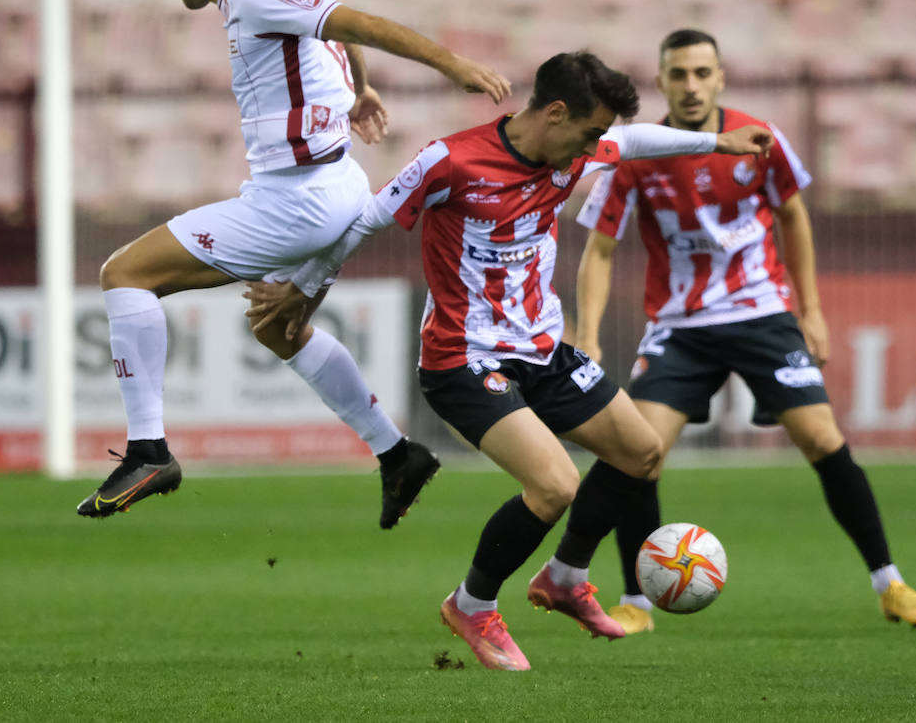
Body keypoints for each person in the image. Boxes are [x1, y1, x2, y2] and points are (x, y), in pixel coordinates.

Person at [246, 51, 773, 671]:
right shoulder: (452, 161)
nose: (594, 146)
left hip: (543, 349)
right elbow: (366, 221)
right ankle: (471, 604)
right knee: (554, 485)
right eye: (587, 131)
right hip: (462, 357)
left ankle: (564, 577)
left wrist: (719, 141)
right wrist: (304, 290)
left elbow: (629, 141)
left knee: (642, 452)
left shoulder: (571, 150)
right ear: (554, 113)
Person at [77, 0, 512, 527]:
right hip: (336, 189)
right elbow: (333, 26)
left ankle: (148, 448)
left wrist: (451, 65)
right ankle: (397, 454)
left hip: (297, 201)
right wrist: (360, 87)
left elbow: (358, 22)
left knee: (125, 273)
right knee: (278, 328)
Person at [573, 29, 916, 636]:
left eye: (701, 73)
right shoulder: (637, 154)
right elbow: (600, 250)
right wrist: (587, 332)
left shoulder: (758, 137)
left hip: (762, 315)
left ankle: (891, 584)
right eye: (678, 75)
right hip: (680, 326)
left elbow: (793, 215)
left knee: (823, 440)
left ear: (720, 78)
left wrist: (812, 309)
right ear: (662, 82)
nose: (690, 85)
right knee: (637, 453)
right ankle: (636, 604)